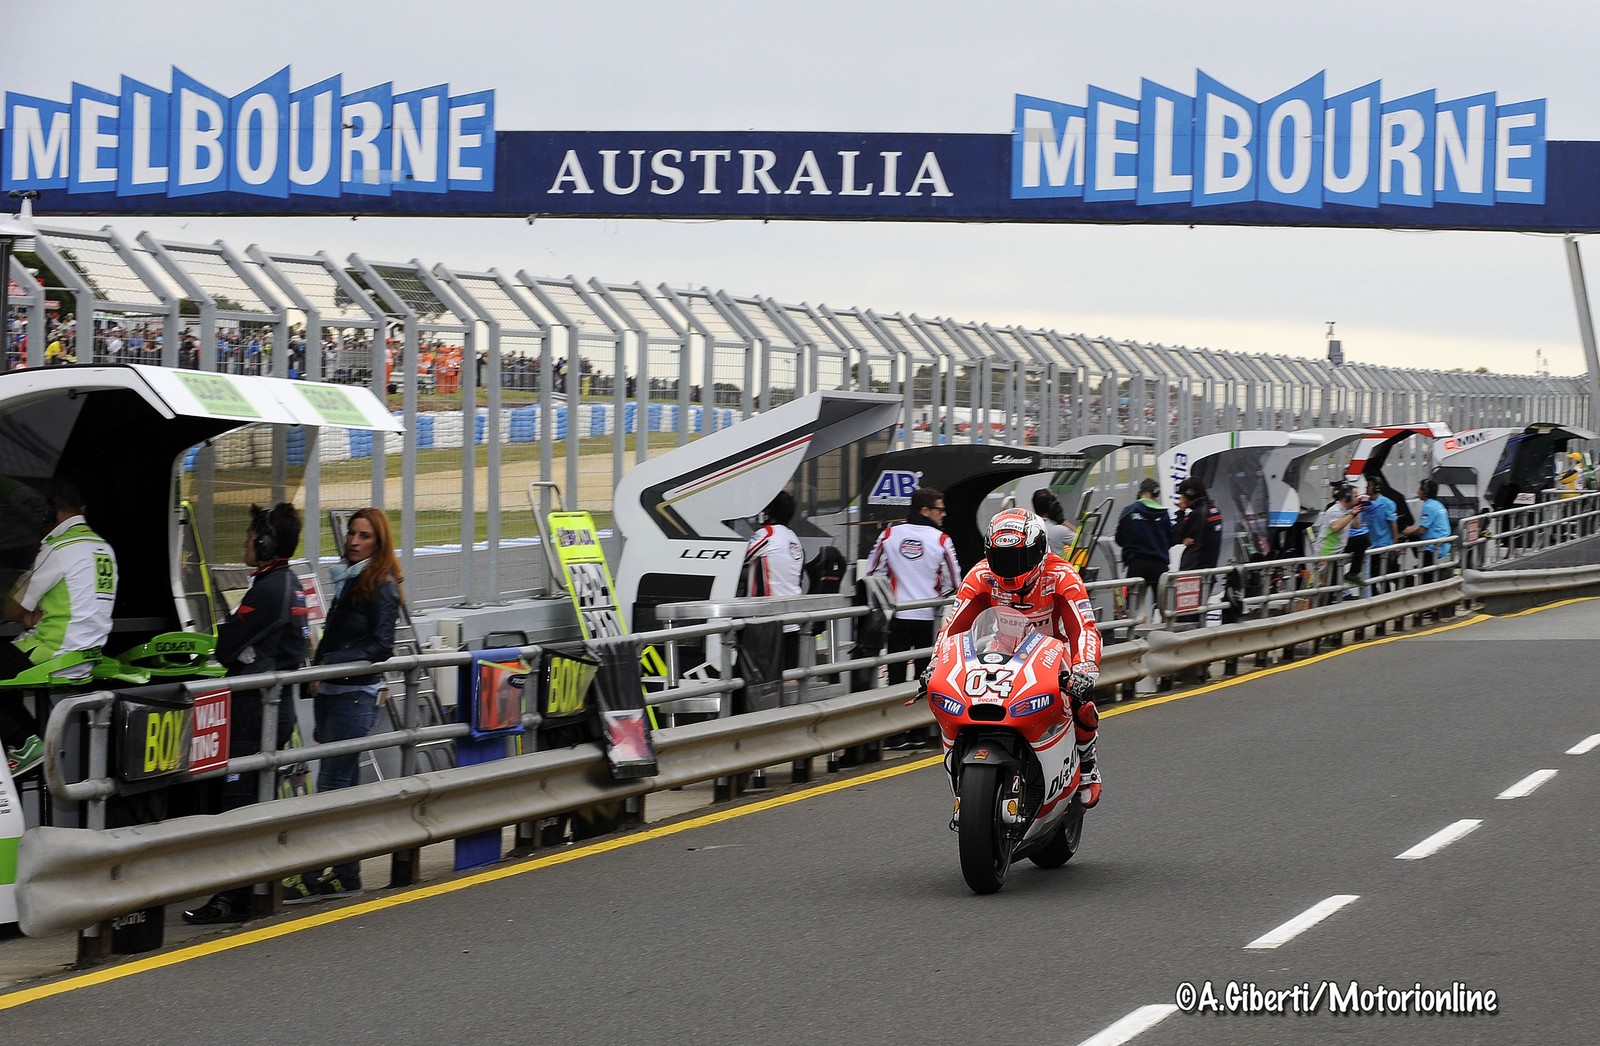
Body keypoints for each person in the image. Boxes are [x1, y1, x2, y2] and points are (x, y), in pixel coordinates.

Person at [183, 503, 310, 924]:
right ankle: (247, 891)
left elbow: (226, 646)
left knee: (238, 805)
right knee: (252, 802)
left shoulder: (271, 588)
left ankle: (230, 900)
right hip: (272, 709)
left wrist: (235, 639)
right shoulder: (289, 583)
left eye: (250, 535)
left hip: (257, 713)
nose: (244, 542)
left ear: (265, 541)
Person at [937, 509, 1104, 807]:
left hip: (1053, 653)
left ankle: (1088, 763)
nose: (1008, 568)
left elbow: (1084, 627)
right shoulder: (981, 575)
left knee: (1081, 703)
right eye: (1000, 558)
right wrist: (937, 662)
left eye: (1018, 558)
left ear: (1039, 550)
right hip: (999, 650)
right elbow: (954, 626)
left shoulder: (1062, 575)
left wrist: (1085, 666)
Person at [284, 507, 403, 905]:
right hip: (333, 692)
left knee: (331, 786)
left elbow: (382, 646)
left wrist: (331, 663)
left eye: (364, 536)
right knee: (343, 784)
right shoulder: (350, 578)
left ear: (379, 542)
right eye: (351, 533)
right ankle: (347, 875)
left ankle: (312, 875)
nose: (353, 541)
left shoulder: (381, 582)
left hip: (356, 693)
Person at [0, 478, 118, 777]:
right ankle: (36, 744)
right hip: (84, 657)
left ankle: (23, 743)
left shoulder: (57, 547)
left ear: (48, 513)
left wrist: (23, 612)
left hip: (53, 652)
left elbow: (14, 608)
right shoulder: (103, 548)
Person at [865, 487, 960, 748]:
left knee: (895, 673)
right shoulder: (941, 539)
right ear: (925, 510)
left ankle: (896, 733)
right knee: (924, 674)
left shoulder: (889, 534)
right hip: (927, 615)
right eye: (939, 509)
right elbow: (954, 581)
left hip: (896, 614)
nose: (944, 514)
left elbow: (873, 572)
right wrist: (936, 594)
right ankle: (918, 731)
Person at [739, 492, 805, 670]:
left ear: (768, 512)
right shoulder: (794, 539)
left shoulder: (765, 534)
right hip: (792, 623)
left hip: (765, 624)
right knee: (789, 681)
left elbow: (738, 563)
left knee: (755, 682)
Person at [1114, 478, 1169, 623]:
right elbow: (1171, 537)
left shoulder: (1129, 511)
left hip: (1136, 564)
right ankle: (1165, 638)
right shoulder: (1163, 513)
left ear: (1141, 492)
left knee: (1136, 607)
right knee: (1165, 607)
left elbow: (1119, 538)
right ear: (1155, 494)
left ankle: (1139, 638)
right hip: (1159, 565)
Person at [1401, 478, 1453, 581]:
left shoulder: (1428, 506)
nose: (1417, 491)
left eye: (1419, 489)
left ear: (1424, 491)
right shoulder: (1438, 504)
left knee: (1411, 537)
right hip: (1444, 546)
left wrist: (1408, 531)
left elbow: (1421, 530)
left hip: (1432, 549)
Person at [1171, 478, 1223, 570]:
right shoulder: (1215, 510)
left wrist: (1181, 512)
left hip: (1193, 570)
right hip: (1209, 567)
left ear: (1189, 495)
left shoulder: (1197, 514)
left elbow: (1175, 536)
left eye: (1182, 495)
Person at [1361, 481, 1400, 592]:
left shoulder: (1387, 503)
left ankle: (1386, 598)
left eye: (1369, 485)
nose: (1366, 487)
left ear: (1376, 487)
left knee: (1384, 576)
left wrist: (1395, 544)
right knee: (1371, 576)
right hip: (1371, 546)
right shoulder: (1366, 505)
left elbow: (1393, 524)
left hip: (1384, 545)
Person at [1030, 488, 1075, 557]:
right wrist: (1062, 520)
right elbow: (1082, 542)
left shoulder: (1029, 528)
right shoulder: (1060, 530)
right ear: (1053, 507)